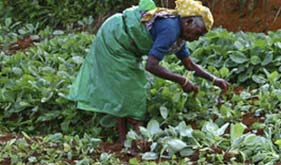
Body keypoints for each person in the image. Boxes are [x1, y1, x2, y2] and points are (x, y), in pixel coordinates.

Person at [68, 0, 229, 146]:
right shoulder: (171, 29)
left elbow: (189, 64)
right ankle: (134, 138)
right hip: (115, 37)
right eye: (198, 33)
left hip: (123, 40)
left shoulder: (179, 36)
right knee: (132, 87)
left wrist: (214, 79)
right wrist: (182, 81)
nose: (197, 38)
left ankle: (126, 141)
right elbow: (151, 66)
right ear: (188, 22)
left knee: (126, 88)